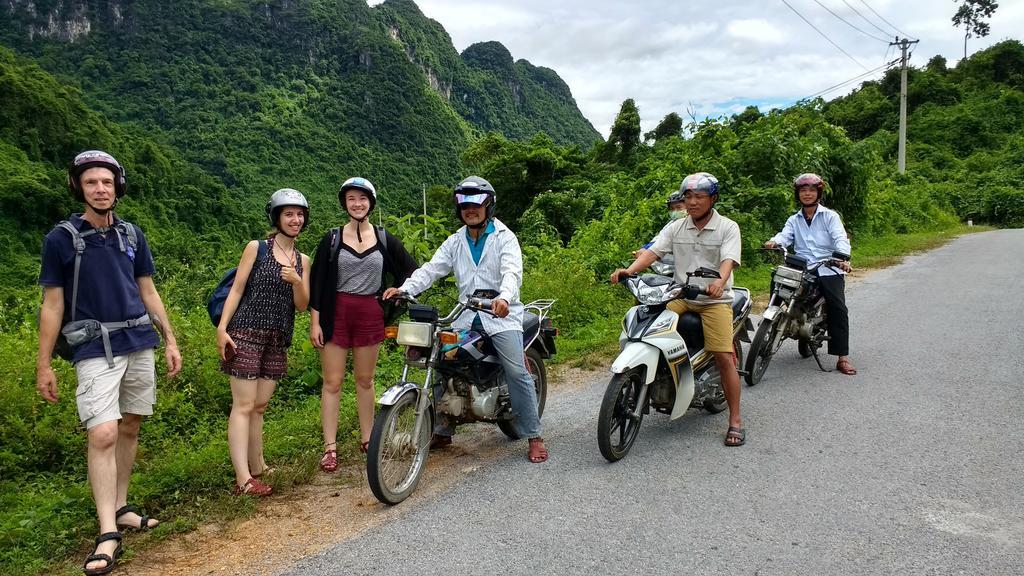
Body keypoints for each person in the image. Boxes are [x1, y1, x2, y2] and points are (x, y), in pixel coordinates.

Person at [36, 150, 182, 575]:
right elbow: (52, 305)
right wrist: (43, 365)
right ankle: (106, 532)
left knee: (131, 424)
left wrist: (169, 338)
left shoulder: (132, 235)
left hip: (138, 338)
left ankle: (121, 507)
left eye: (106, 182)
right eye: (91, 183)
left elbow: (148, 291)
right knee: (102, 433)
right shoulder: (61, 238)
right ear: (78, 188)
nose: (100, 190)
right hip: (92, 346)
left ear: (118, 186)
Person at [382, 176, 549, 463]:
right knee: (439, 360)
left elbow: (512, 273)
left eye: (476, 203)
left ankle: (533, 434)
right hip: (465, 316)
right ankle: (443, 429)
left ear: (488, 205)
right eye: (464, 203)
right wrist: (405, 289)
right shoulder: (455, 241)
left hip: (501, 316)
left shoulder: (504, 237)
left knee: (516, 371)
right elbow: (432, 269)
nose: (470, 209)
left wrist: (504, 298)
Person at [610, 172, 746, 447]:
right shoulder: (677, 227)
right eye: (688, 197)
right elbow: (654, 252)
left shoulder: (728, 227)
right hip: (681, 294)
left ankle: (735, 420)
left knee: (722, 355)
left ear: (713, 199)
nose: (693, 202)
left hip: (714, 300)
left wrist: (719, 283)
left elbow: (729, 260)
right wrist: (630, 270)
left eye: (699, 197)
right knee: (647, 323)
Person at [309, 177, 418, 473]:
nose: (357, 204)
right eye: (351, 199)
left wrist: (395, 291)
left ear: (371, 202)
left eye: (362, 198)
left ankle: (369, 439)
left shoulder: (384, 239)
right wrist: (315, 322)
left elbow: (412, 271)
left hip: (369, 312)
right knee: (332, 382)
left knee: (365, 381)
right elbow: (317, 282)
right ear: (344, 203)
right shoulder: (332, 239)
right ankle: (329, 448)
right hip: (336, 313)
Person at [216, 188, 312, 496]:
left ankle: (259, 466)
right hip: (245, 332)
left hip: (278, 337)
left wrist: (298, 281)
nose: (295, 220)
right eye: (289, 214)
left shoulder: (303, 260)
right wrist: (222, 328)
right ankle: (243, 477)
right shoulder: (256, 248)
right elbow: (237, 289)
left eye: (299, 215)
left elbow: (302, 304)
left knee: (260, 405)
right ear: (276, 217)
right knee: (243, 405)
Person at [764, 173, 856, 375]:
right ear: (798, 194)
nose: (807, 194)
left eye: (811, 190)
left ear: (818, 193)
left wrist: (842, 258)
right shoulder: (794, 219)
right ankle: (772, 324)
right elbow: (784, 236)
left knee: (838, 308)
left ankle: (842, 357)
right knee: (778, 282)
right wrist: (774, 242)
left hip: (828, 266)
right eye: (803, 190)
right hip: (801, 266)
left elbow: (840, 238)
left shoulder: (830, 216)